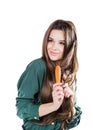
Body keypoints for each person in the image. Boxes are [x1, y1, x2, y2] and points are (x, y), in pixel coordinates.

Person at [16, 19, 82, 130]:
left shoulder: (70, 73)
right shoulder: (37, 67)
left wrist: (69, 102)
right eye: (50, 40)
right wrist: (53, 106)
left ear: (70, 46)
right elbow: (21, 109)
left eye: (62, 43)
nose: (53, 47)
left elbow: (71, 123)